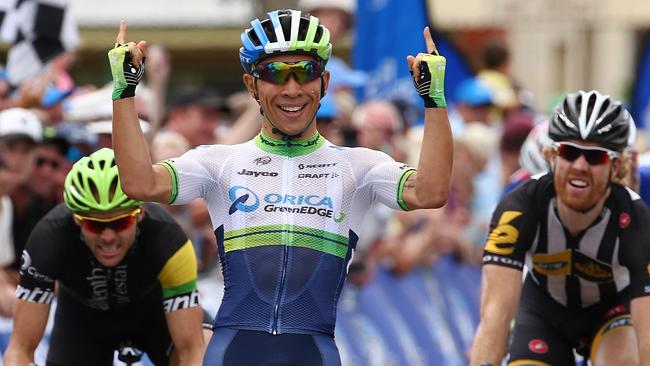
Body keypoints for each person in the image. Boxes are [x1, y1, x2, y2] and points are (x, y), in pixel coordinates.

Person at [109, 9, 452, 365]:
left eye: (306, 73)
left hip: (312, 352)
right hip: (234, 351)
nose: (292, 89)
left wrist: (434, 100)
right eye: (274, 73)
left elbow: (430, 192)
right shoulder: (220, 162)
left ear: (325, 82)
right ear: (251, 84)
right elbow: (139, 183)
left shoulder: (359, 166)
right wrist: (124, 92)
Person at [469, 90, 650, 366]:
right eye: (569, 152)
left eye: (595, 158)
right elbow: (495, 316)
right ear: (551, 156)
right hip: (544, 310)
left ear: (616, 167)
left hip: (614, 309)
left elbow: (646, 334)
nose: (579, 165)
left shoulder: (635, 218)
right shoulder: (519, 207)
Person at [3, 148, 206, 366]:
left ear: (140, 215)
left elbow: (191, 351)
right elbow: (20, 350)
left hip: (154, 315)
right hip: (83, 321)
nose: (108, 237)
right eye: (94, 224)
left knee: (208, 348)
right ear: (77, 220)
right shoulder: (49, 239)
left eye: (121, 223)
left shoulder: (168, 241)